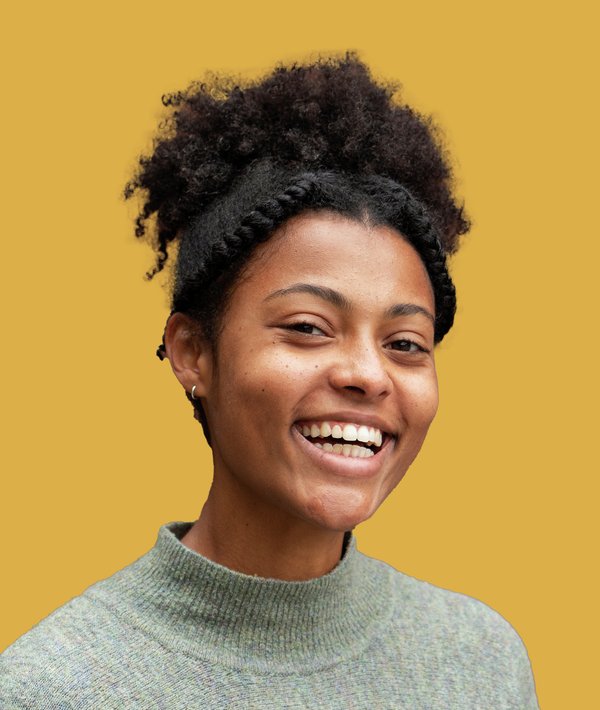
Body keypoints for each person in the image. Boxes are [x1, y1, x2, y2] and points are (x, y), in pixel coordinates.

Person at [0, 53, 538, 708]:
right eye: (309, 327)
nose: (368, 375)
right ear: (192, 352)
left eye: (405, 343)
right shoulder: (54, 688)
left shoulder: (480, 662)